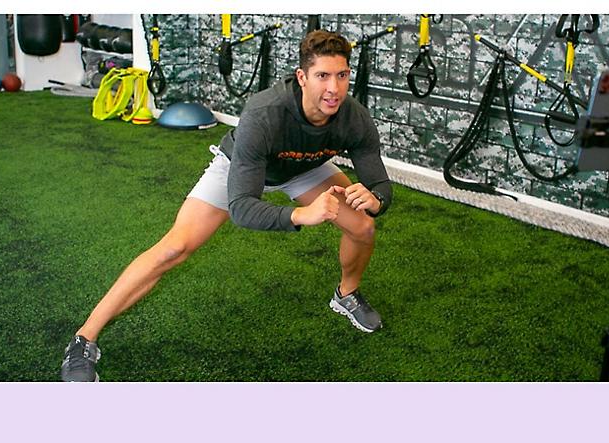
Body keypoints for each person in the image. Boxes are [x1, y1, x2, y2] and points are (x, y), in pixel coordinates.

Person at [61, 30, 393, 382]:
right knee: (175, 247)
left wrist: (376, 201)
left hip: (304, 167)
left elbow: (380, 184)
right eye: (322, 76)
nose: (333, 88)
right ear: (302, 77)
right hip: (241, 168)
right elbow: (242, 207)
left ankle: (347, 294)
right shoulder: (264, 112)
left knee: (363, 226)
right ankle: (84, 339)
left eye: (341, 76)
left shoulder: (354, 116)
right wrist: (300, 214)